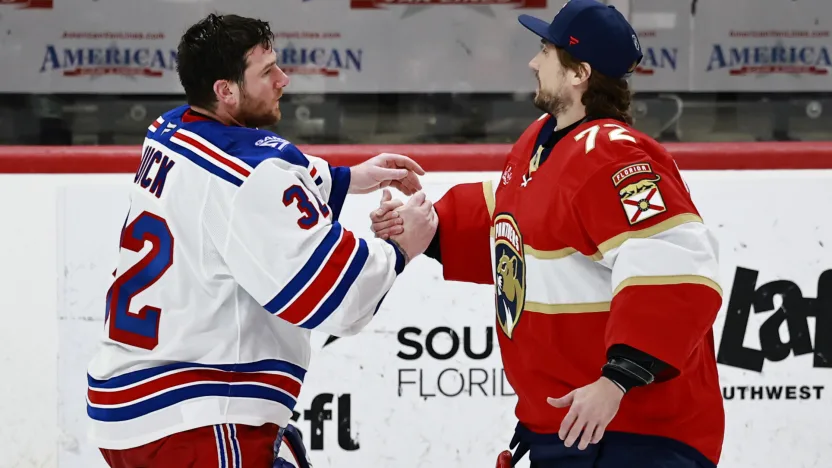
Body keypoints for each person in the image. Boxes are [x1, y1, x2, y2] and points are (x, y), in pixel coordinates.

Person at [371, 1, 725, 467]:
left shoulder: (614, 155)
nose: (533, 63)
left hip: (634, 434)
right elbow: (515, 219)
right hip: (568, 430)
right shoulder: (543, 140)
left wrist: (616, 381)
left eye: (546, 51)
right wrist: (429, 226)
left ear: (579, 73)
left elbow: (675, 265)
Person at [85, 13, 437, 468]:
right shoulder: (251, 176)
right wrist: (402, 247)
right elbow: (336, 295)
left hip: (129, 405)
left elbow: (244, 177)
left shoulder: (170, 130)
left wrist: (347, 178)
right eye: (268, 71)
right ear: (225, 91)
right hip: (193, 422)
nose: (283, 80)